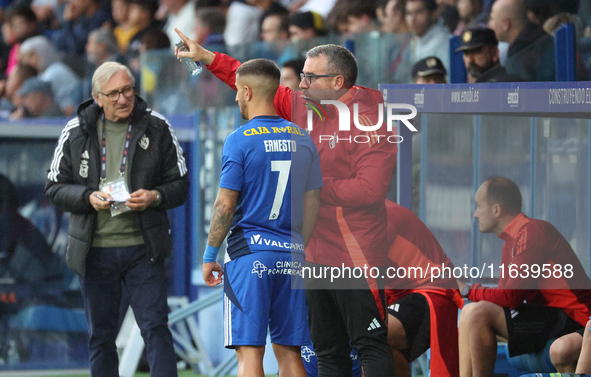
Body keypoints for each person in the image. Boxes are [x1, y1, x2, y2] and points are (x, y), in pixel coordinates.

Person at [175, 28, 398, 377]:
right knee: (326, 350)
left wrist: (313, 187)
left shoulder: (371, 120)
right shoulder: (302, 106)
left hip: (354, 252)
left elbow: (370, 189)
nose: (302, 84)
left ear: (338, 81)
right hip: (309, 251)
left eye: (310, 76)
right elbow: (254, 85)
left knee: (369, 344)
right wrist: (207, 58)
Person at [44, 61, 189, 377]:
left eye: (128, 90)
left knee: (156, 328)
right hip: (94, 249)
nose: (124, 99)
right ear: (97, 97)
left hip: (143, 247)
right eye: (114, 94)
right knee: (101, 336)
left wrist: (155, 196)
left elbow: (180, 184)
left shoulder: (157, 126)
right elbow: (54, 187)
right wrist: (87, 198)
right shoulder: (76, 131)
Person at [201, 58, 323, 376]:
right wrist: (298, 245)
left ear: (247, 91)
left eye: (238, 93)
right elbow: (313, 203)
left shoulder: (239, 139)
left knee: (250, 353)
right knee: (290, 353)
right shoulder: (303, 138)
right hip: (292, 254)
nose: (237, 99)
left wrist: (210, 254)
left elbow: (225, 206)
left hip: (249, 253)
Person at [458, 176, 591, 377]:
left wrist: (469, 290)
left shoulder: (531, 232)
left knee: (478, 312)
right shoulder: (510, 244)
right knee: (470, 312)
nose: (475, 214)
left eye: (478, 206)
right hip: (551, 318)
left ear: (496, 210)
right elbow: (505, 299)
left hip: (575, 318)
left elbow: (511, 296)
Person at [384, 200, 463, 377]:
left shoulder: (373, 215)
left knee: (374, 334)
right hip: (400, 293)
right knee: (376, 348)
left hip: (432, 290)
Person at [487, 0, 555, 82]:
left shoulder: (520, 55)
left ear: (506, 24)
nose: (488, 25)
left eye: (492, 19)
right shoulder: (542, 37)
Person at [406, 0, 451, 72]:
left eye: (419, 12)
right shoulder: (416, 40)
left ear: (432, 13)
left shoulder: (443, 41)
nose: (412, 19)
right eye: (409, 13)